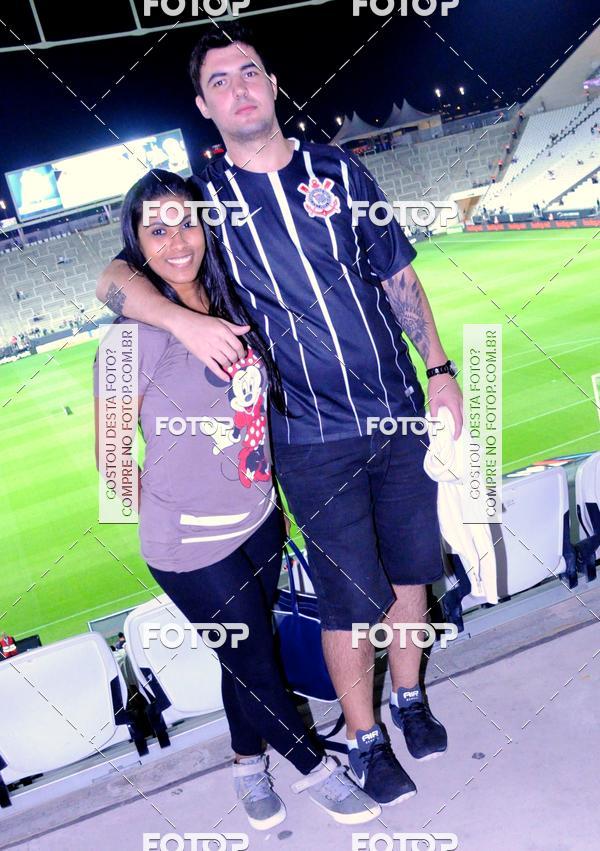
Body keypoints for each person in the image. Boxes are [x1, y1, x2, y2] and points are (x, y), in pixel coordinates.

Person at [96, 22, 463, 807]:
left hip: (399, 410)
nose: (239, 88)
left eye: (249, 71)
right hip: (309, 436)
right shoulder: (203, 200)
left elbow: (397, 274)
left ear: (271, 83)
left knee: (411, 574)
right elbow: (113, 275)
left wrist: (439, 368)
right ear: (204, 106)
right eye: (219, 81)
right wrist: (183, 322)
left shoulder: (339, 170)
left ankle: (409, 697)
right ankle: (364, 739)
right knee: (348, 600)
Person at [93, 170, 379, 828]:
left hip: (260, 520)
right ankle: (318, 771)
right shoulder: (128, 340)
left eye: (186, 222)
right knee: (254, 659)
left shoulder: (233, 298)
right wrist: (175, 512)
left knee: (243, 655)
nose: (176, 242)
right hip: (191, 546)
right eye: (156, 230)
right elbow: (112, 461)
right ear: (136, 244)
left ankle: (248, 764)